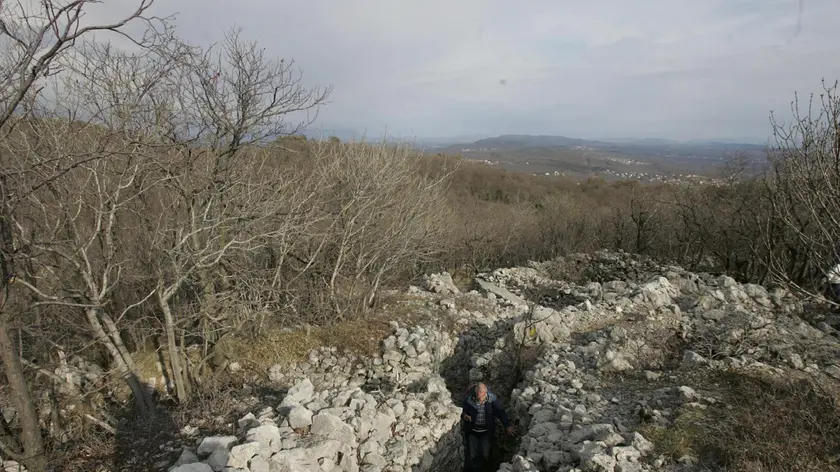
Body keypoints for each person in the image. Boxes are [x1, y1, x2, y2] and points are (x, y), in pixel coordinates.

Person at [460, 382, 514, 472]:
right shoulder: (469, 399)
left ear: (485, 393)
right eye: (477, 396)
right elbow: (463, 411)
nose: (479, 399)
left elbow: (500, 412)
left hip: (486, 433)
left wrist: (507, 425)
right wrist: (465, 416)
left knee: (485, 454)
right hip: (472, 432)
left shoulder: (492, 400)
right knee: (472, 456)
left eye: (480, 397)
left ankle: (484, 469)